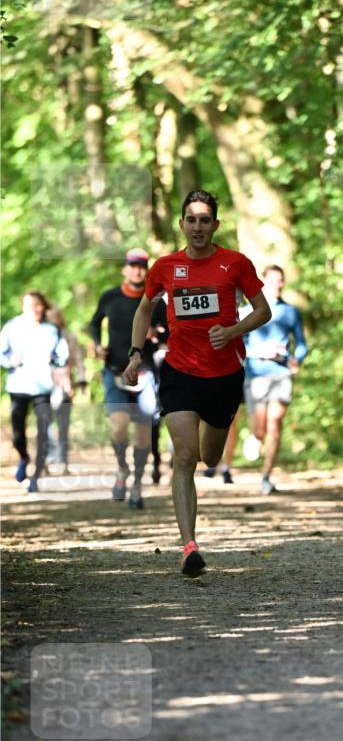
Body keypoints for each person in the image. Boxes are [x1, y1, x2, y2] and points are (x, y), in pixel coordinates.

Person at [122, 189, 271, 576]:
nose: (199, 227)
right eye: (192, 220)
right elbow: (144, 310)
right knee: (185, 456)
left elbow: (263, 311)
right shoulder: (166, 266)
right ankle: (189, 547)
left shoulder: (235, 263)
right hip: (180, 372)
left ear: (216, 224)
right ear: (182, 224)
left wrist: (233, 330)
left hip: (224, 374)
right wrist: (136, 354)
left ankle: (212, 458)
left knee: (210, 457)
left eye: (206, 220)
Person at [89, 249, 167, 509]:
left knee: (144, 435)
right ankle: (122, 468)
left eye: (142, 266)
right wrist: (98, 345)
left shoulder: (156, 301)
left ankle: (137, 484)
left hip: (145, 372)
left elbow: (168, 333)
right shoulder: (109, 296)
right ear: (125, 269)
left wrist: (155, 334)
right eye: (132, 266)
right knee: (119, 427)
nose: (137, 270)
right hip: (114, 370)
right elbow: (94, 323)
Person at [241, 265, 308, 494]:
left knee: (275, 422)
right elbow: (237, 345)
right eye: (273, 281)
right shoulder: (247, 311)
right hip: (256, 374)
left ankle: (266, 476)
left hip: (281, 374)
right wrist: (259, 353)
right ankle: (254, 436)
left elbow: (301, 344)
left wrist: (296, 358)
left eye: (281, 281)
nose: (278, 285)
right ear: (263, 282)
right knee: (260, 428)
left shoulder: (290, 311)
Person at [0, 291, 69, 493]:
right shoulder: (12, 327)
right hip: (19, 386)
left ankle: (36, 476)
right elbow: (1, 352)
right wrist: (9, 361)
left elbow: (62, 355)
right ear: (24, 308)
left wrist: (54, 359)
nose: (35, 310)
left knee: (43, 433)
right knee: (17, 434)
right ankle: (23, 457)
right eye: (31, 306)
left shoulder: (51, 329)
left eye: (38, 306)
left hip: (43, 387)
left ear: (44, 307)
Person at [46, 305, 87, 474]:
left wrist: (81, 380)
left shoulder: (69, 337)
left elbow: (78, 360)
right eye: (50, 316)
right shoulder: (42, 335)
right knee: (45, 423)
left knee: (63, 424)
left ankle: (62, 459)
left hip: (65, 385)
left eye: (56, 316)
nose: (53, 320)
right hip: (44, 386)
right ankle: (48, 457)